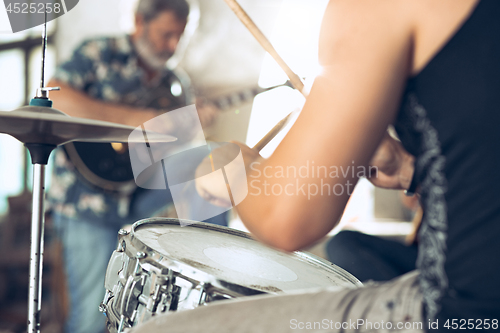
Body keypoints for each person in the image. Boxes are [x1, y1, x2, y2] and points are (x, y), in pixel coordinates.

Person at [133, 0, 499, 332]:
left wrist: (235, 168)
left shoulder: (375, 9)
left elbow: (286, 220)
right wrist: (409, 170)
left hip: (467, 314)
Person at [47, 1, 225, 333]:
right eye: (165, 34)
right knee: (92, 315)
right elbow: (54, 97)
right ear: (140, 22)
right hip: (86, 201)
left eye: (179, 36)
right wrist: (135, 121)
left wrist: (189, 126)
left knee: (214, 158)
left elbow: (165, 149)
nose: (172, 45)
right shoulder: (99, 52)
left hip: (138, 193)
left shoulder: (176, 83)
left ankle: (213, 273)